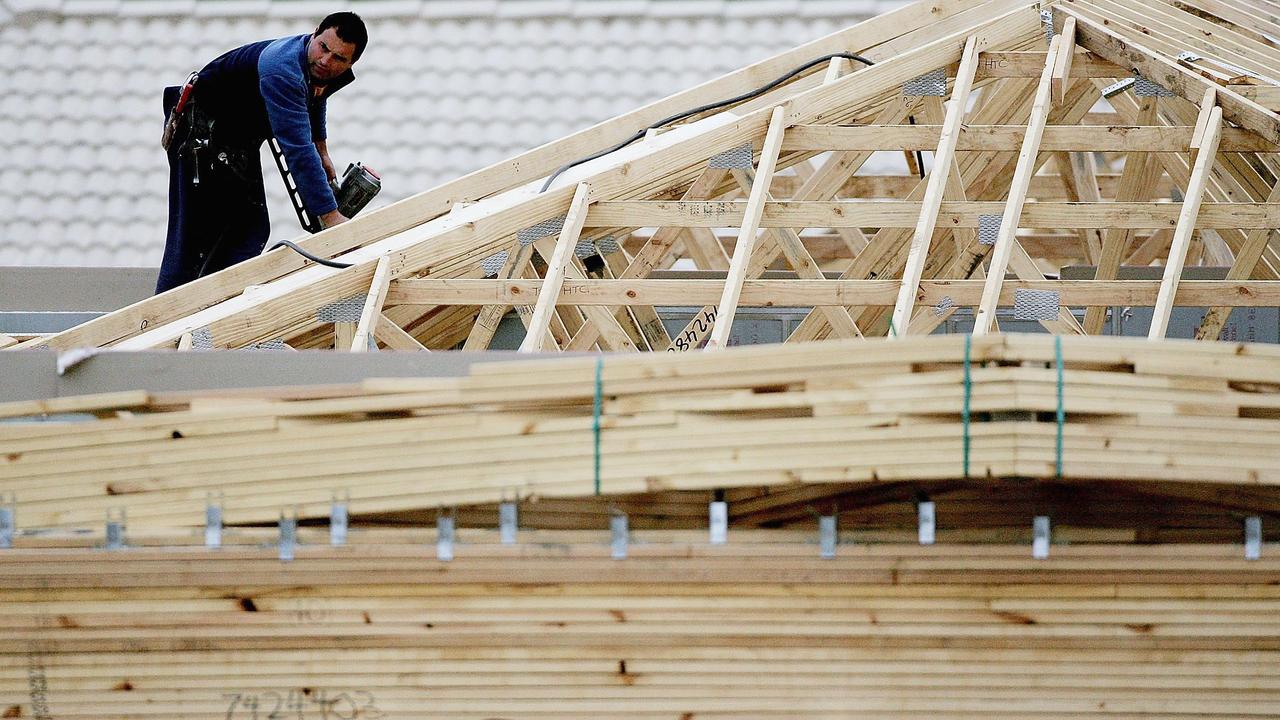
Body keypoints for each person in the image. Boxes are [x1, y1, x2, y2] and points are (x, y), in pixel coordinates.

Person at [156, 12, 368, 294]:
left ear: (351, 63)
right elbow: (297, 150)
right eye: (323, 47)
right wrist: (331, 217)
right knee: (193, 240)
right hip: (201, 133)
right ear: (314, 33)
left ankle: (214, 306)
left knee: (248, 230)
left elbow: (316, 98)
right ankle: (167, 322)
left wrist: (323, 150)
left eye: (339, 58)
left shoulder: (315, 69)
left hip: (235, 139)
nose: (326, 60)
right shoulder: (282, 69)